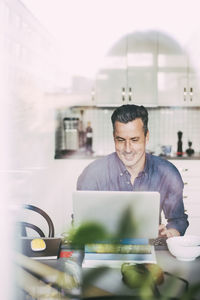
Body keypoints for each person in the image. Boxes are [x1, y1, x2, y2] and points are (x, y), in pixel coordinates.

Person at [77, 104, 189, 237]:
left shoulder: (167, 173)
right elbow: (79, 224)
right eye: (121, 140)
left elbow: (178, 220)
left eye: (134, 140)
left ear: (146, 137)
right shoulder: (92, 174)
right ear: (114, 137)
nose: (128, 149)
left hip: (149, 247)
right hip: (103, 250)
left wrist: (169, 234)